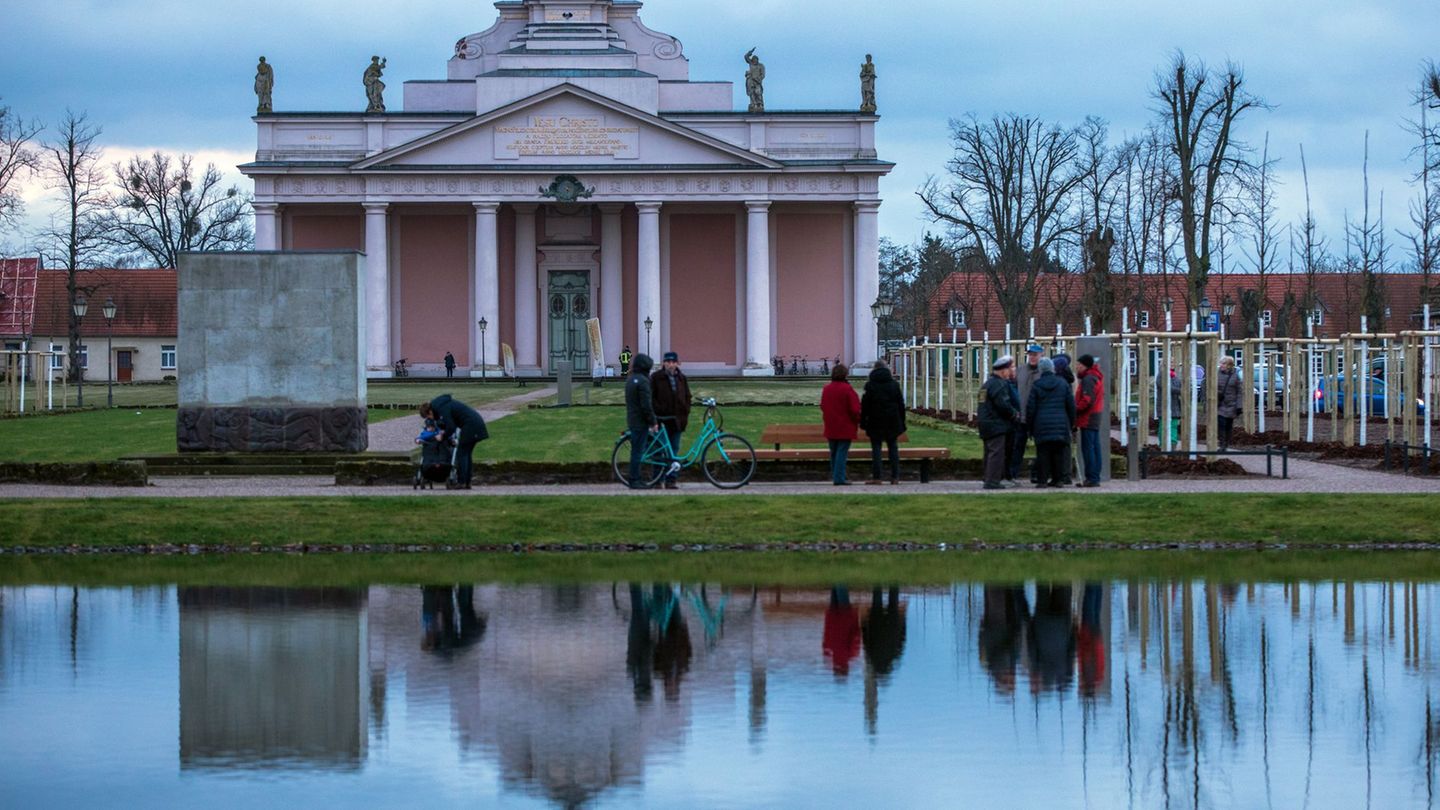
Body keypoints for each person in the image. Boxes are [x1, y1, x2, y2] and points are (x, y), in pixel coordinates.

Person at [419, 393, 489, 489]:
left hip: (470, 426)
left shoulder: (441, 408)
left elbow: (451, 427)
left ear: (430, 412)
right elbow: (450, 424)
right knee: (466, 454)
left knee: (462, 454)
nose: (430, 419)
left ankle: (462, 482)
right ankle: (467, 482)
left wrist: (442, 436)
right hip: (475, 424)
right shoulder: (442, 405)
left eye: (428, 417)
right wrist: (444, 430)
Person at [1025, 358, 1076, 488]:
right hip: (1060, 423)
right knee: (1059, 452)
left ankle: (1042, 480)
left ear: (1041, 370)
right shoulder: (1063, 384)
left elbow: (1031, 408)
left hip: (1041, 424)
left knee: (1043, 453)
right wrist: (1071, 423)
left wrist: (1029, 427)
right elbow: (1070, 405)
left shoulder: (1037, 385)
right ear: (1052, 368)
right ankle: (1058, 479)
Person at [650, 351, 692, 489]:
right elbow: (651, 398)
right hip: (662, 420)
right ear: (664, 363)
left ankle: (671, 480)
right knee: (659, 451)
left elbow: (687, 396)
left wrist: (685, 412)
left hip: (677, 421)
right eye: (668, 362)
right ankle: (657, 480)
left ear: (677, 363)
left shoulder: (681, 378)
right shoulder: (656, 378)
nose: (671, 364)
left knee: (674, 451)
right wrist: (656, 415)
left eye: (673, 362)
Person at [860, 362, 906, 485]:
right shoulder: (894, 385)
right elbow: (901, 405)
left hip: (875, 420)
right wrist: (902, 422)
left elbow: (865, 406)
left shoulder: (870, 385)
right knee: (893, 448)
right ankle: (895, 477)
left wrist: (863, 422)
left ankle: (877, 477)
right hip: (892, 420)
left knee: (876, 449)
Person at [979, 355, 1021, 490]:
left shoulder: (987, 384)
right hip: (996, 424)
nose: (1011, 372)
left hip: (985, 422)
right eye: (1010, 369)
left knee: (989, 452)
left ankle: (988, 477)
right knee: (997, 453)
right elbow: (1003, 405)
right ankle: (992, 481)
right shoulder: (1000, 384)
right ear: (1003, 371)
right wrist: (1014, 414)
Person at [820, 363, 861, 485]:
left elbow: (823, 406)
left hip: (831, 425)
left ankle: (836, 476)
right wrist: (858, 420)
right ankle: (839, 478)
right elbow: (855, 409)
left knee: (834, 452)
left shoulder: (827, 389)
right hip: (845, 426)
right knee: (842, 453)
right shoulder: (847, 389)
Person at [624, 353, 659, 489]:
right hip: (640, 422)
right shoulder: (643, 381)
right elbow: (646, 405)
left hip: (633, 419)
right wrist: (653, 421)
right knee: (638, 452)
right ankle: (634, 480)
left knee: (636, 451)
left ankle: (635, 479)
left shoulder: (631, 380)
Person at [1012, 344, 1045, 483]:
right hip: (1021, 416)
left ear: (1041, 355)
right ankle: (1012, 473)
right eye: (1030, 354)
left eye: (1035, 355)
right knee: (1017, 446)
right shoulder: (1020, 370)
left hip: (1038, 417)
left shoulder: (1044, 372)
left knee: (1041, 448)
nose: (1032, 357)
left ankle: (1037, 474)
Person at [1074, 354, 1106, 488]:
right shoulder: (1095, 377)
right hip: (1095, 417)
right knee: (1095, 447)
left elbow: (1087, 400)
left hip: (1088, 418)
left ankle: (1091, 477)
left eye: (1079, 365)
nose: (1077, 367)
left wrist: (1076, 409)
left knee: (1088, 449)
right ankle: (1095, 476)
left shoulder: (1088, 379)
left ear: (1085, 366)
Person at [1052, 354, 1077, 485]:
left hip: (1058, 418)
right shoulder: (1068, 380)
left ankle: (1059, 475)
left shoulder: (1059, 382)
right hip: (1065, 418)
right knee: (1065, 448)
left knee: (1056, 447)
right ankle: (1065, 474)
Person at [1215, 356, 1243, 451]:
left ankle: (1226, 442)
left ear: (1229, 365)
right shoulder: (1217, 374)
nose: (1221, 365)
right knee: (1221, 423)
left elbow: (1239, 391)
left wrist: (1239, 406)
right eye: (1221, 363)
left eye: (1223, 363)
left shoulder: (1235, 376)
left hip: (1232, 404)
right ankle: (1222, 443)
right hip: (1220, 403)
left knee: (1228, 425)